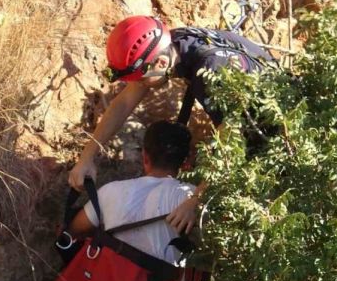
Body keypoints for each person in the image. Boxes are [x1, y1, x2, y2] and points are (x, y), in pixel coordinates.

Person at [68, 16, 275, 234]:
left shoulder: (211, 73)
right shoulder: (172, 42)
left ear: (161, 63)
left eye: (141, 80)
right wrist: (86, 157)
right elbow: (124, 103)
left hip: (276, 129)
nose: (139, 86)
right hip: (251, 107)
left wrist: (195, 201)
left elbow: (231, 144)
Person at [68, 120, 195, 264]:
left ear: (145, 156)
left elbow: (75, 229)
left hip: (107, 279)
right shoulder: (192, 198)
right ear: (186, 164)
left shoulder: (110, 191)